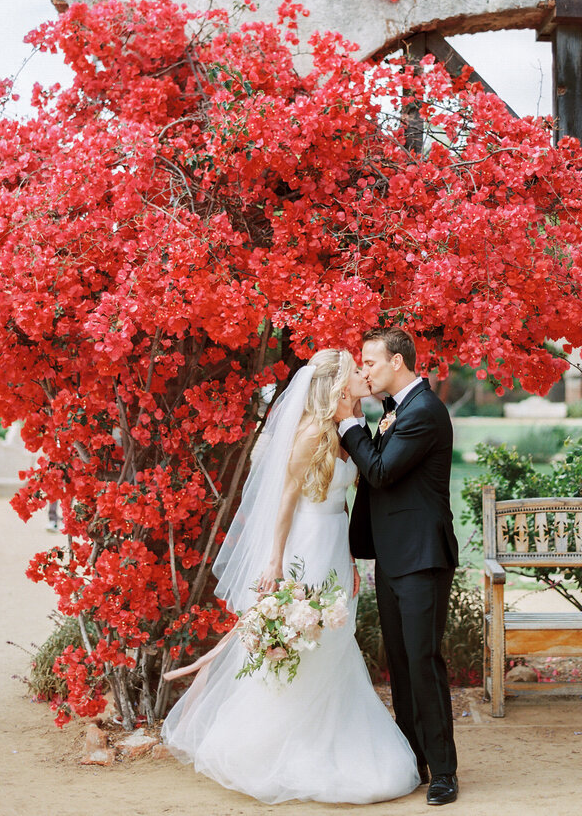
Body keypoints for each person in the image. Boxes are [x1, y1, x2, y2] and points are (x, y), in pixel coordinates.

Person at [161, 349, 420, 805]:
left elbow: (352, 496)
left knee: (335, 642)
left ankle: (333, 738)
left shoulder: (350, 429)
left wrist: (355, 563)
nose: (363, 375)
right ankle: (274, 747)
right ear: (338, 387)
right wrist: (275, 560)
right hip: (306, 546)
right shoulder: (313, 432)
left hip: (336, 548)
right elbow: (284, 502)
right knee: (306, 642)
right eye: (354, 372)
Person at [337, 327, 460, 807]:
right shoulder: (395, 411)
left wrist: (350, 425)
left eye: (369, 361)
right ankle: (413, 757)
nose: (364, 370)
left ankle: (444, 772)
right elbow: (380, 470)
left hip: (422, 558)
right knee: (401, 663)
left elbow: (382, 472)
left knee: (423, 661)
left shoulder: (425, 412)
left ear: (397, 361)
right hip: (392, 556)